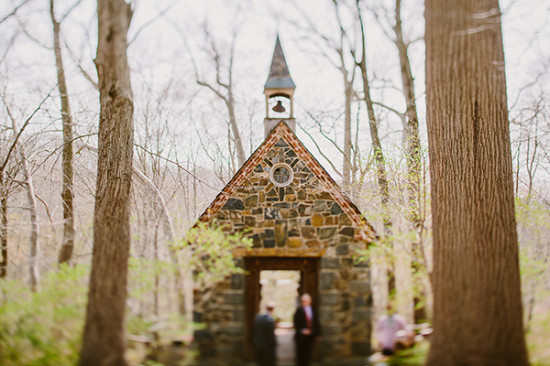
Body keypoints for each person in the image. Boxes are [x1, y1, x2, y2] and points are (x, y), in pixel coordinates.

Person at [293, 293, 321, 366]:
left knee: (308, 354)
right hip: (301, 337)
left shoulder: (313, 311)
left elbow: (316, 322)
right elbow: (296, 323)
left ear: (309, 301)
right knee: (300, 355)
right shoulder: (298, 311)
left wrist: (318, 334)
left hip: (310, 336)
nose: (303, 302)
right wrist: (302, 330)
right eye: (302, 301)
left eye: (305, 301)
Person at [254, 301, 277, 366]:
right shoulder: (270, 320)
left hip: (260, 344)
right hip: (268, 347)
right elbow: (271, 336)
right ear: (273, 309)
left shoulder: (258, 318)